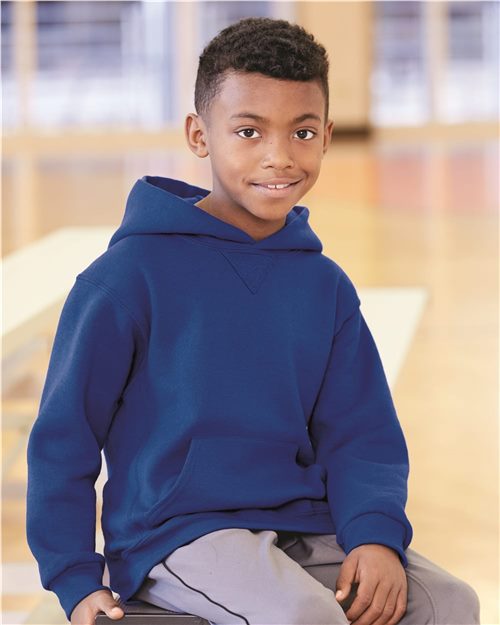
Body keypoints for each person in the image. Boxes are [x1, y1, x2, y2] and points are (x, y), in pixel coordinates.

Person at [26, 16, 481, 625]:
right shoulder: (127, 277)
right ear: (199, 135)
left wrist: (374, 534)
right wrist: (75, 577)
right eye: (248, 131)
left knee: (448, 603)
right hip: (177, 531)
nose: (279, 157)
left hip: (302, 522)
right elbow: (64, 438)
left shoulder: (324, 286)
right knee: (305, 616)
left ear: (326, 137)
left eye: (302, 132)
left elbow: (361, 431)